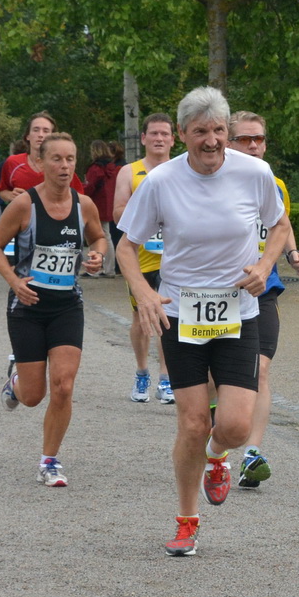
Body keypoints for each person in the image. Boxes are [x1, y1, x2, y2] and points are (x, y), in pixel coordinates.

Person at [117, 87, 287, 556]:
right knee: (193, 423)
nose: (211, 141)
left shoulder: (254, 173)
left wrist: (264, 265)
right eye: (199, 132)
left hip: (238, 312)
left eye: (218, 131)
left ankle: (218, 456)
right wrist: (144, 293)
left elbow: (280, 225)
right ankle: (187, 521)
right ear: (182, 134)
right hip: (181, 315)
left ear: (227, 131)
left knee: (233, 427)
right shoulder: (161, 181)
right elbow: (126, 247)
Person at [0, 132, 106, 486]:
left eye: (70, 159)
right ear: (40, 163)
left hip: (66, 305)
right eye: (56, 159)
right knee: (32, 396)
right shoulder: (24, 205)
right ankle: (16, 383)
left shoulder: (84, 205)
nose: (64, 166)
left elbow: (98, 237)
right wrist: (14, 281)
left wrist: (97, 255)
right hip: (27, 306)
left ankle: (49, 461)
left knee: (64, 386)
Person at [225, 111, 299, 490]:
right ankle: (215, 443)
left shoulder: (274, 184)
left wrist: (292, 254)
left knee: (259, 369)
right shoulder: (212, 182)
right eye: (245, 139)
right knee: (216, 375)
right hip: (218, 292)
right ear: (228, 143)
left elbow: (281, 224)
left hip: (264, 289)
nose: (254, 146)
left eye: (259, 139)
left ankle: (252, 453)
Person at [115, 113, 177, 404]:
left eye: (165, 134)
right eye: (154, 133)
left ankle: (166, 378)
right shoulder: (129, 172)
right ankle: (142, 372)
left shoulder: (182, 170)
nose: (159, 139)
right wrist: (148, 214)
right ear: (143, 138)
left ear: (173, 140)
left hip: (172, 259)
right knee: (141, 319)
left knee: (167, 319)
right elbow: (117, 212)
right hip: (140, 259)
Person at [0, 111, 55, 203]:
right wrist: (10, 196)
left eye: (46, 131)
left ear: (53, 137)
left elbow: (77, 195)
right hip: (21, 212)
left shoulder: (62, 165)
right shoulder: (13, 162)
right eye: (36, 130)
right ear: (28, 136)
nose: (40, 135)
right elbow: (1, 191)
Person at [83, 139, 121, 276]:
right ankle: (110, 268)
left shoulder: (95, 169)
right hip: (108, 204)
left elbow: (89, 187)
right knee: (106, 236)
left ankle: (94, 269)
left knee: (94, 236)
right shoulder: (112, 168)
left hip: (96, 204)